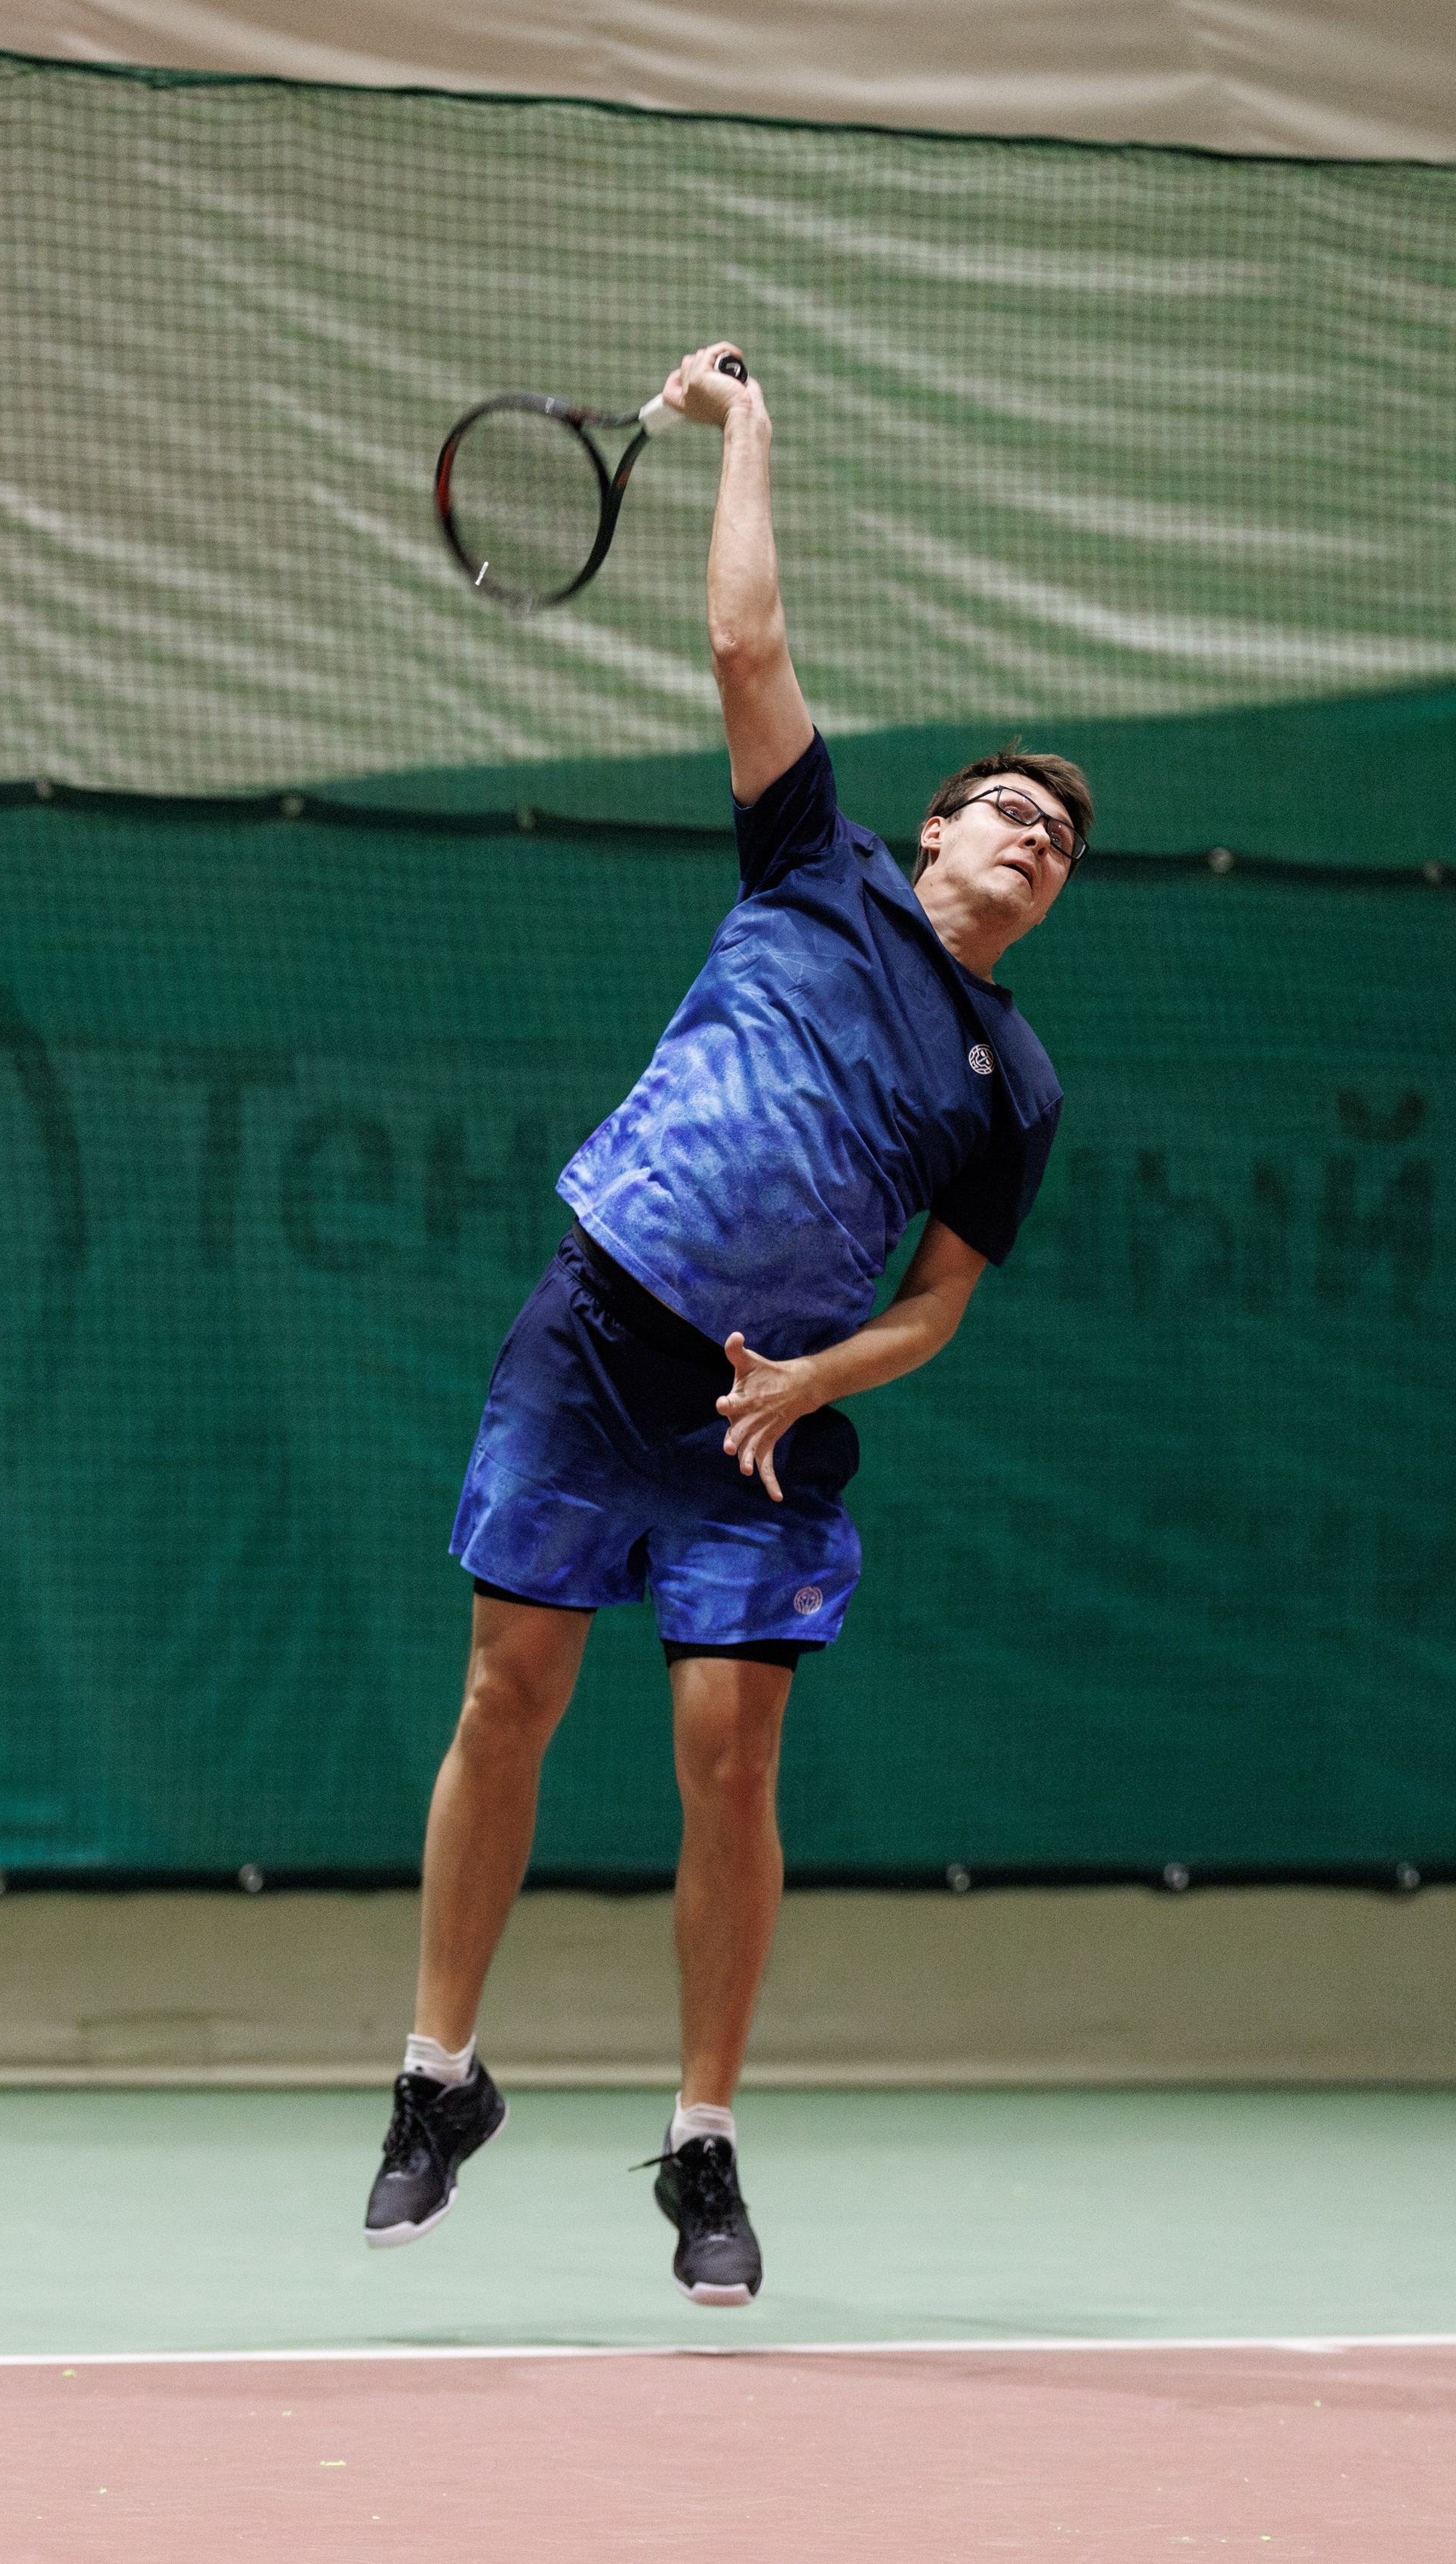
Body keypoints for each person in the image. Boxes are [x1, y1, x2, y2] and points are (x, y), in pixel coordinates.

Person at [365, 342, 1093, 2304]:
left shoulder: (1016, 1090)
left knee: (728, 1754)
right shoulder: (810, 861)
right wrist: (744, 431)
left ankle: (702, 2140)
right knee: (509, 1692)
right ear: (929, 838)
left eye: (1056, 839)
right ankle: (439, 2077)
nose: (1029, 836)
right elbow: (744, 639)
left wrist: (818, 1377)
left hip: (762, 1420)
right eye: (1002, 809)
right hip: (598, 1332)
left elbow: (938, 1308)